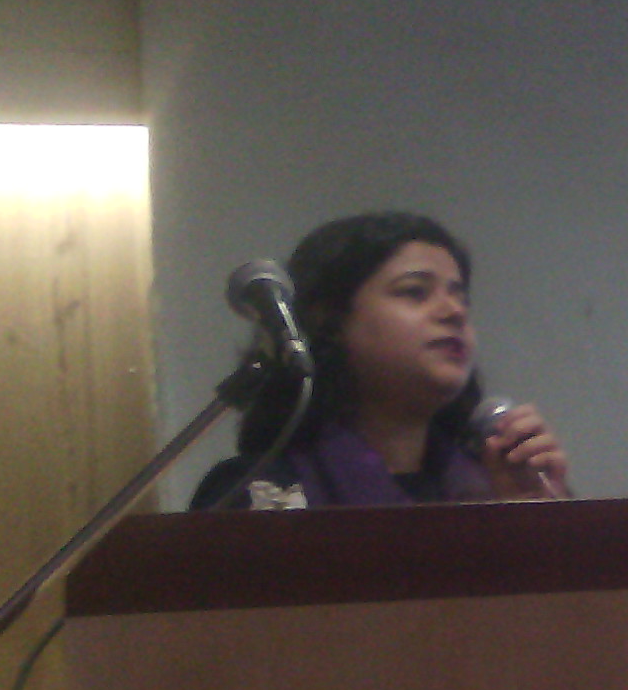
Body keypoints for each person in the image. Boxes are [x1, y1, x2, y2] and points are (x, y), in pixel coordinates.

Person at [191, 211, 569, 509]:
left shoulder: (490, 485)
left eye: (461, 298)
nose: (454, 312)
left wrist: (532, 514)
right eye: (415, 292)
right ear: (329, 320)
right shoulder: (259, 493)